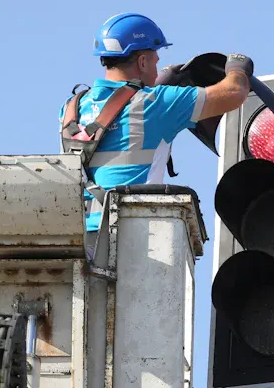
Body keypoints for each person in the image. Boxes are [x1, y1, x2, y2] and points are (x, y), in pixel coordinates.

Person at [60, 12, 254, 238]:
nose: (158, 65)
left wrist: (149, 86)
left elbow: (118, 119)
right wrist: (238, 68)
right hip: (128, 235)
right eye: (155, 58)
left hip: (79, 237)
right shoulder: (157, 103)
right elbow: (234, 93)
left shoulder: (71, 108)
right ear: (142, 61)